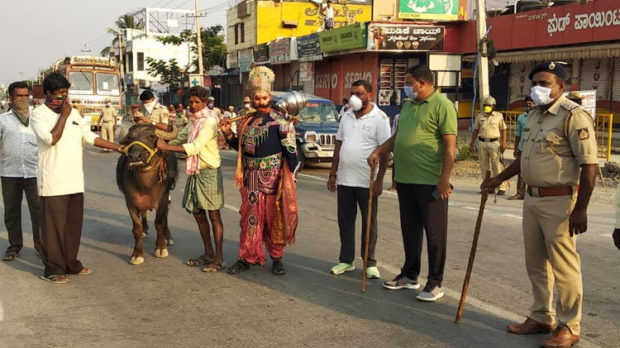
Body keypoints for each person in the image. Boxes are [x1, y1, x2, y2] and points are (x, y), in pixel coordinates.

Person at [482, 62, 597, 348]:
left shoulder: (574, 117)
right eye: (535, 82)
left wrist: (580, 209)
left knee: (564, 266)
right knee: (535, 263)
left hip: (559, 200)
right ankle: (541, 315)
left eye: (545, 82)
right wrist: (498, 178)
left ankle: (569, 325)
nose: (538, 87)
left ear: (562, 86)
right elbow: (523, 159)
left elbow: (589, 166)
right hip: (531, 199)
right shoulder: (533, 115)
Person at [368, 65, 457, 302]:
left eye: (409, 83)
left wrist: (444, 180)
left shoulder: (443, 106)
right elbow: (398, 137)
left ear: (423, 82)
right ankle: (409, 274)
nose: (405, 88)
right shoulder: (408, 106)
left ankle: (435, 282)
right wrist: (379, 150)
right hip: (405, 180)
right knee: (410, 230)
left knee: (435, 234)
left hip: (430, 181)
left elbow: (450, 146)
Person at [30, 73, 124, 284]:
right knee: (53, 228)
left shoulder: (74, 113)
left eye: (65, 93)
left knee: (73, 227)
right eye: (58, 94)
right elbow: (51, 139)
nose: (63, 97)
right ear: (47, 93)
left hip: (74, 181)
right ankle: (53, 268)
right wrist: (63, 116)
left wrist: (117, 147)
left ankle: (71, 263)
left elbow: (89, 136)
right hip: (53, 182)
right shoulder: (39, 114)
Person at [220, 66, 299, 276]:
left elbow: (291, 152)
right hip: (250, 178)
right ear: (252, 99)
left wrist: (291, 177)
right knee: (250, 220)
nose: (261, 102)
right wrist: (228, 133)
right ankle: (247, 257)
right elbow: (240, 147)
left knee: (274, 219)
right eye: (257, 98)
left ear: (269, 97)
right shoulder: (246, 121)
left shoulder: (280, 121)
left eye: (264, 98)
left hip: (273, 178)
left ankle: (277, 258)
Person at [157, 86, 225, 272]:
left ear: (205, 103)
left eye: (197, 102)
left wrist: (166, 147)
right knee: (198, 213)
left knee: (213, 215)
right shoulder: (193, 120)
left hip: (209, 172)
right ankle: (208, 253)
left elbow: (194, 147)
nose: (193, 105)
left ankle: (218, 258)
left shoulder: (209, 121)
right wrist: (158, 140)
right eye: (191, 102)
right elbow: (180, 138)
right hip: (195, 172)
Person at [327, 80, 390, 279]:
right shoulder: (346, 115)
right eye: (353, 93)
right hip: (345, 179)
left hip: (367, 180)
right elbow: (338, 145)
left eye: (360, 93)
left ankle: (369, 262)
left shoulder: (379, 118)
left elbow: (385, 150)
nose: (355, 97)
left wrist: (380, 180)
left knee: (369, 221)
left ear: (370, 95)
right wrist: (332, 173)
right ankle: (346, 260)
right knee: (345, 221)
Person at [0, 82, 41, 261]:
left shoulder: (37, 119)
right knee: (11, 212)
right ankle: (14, 246)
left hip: (34, 172)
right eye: (19, 96)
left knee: (38, 212)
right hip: (9, 173)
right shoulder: (3, 120)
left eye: (26, 96)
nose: (24, 99)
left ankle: (42, 247)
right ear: (11, 98)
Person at [470, 95, 507, 195]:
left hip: (494, 143)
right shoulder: (480, 116)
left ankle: (501, 187)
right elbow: (476, 130)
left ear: (493, 106)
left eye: (489, 106)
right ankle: (487, 186)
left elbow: (503, 130)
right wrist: (472, 143)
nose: (487, 107)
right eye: (485, 105)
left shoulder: (499, 116)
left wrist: (503, 143)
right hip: (482, 143)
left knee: (496, 165)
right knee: (484, 166)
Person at [509, 96, 535, 200]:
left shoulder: (539, 117)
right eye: (527, 104)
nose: (528, 106)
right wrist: (515, 148)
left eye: (531, 104)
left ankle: (532, 194)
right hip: (523, 148)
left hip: (534, 148)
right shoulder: (521, 117)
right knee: (520, 171)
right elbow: (518, 133)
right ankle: (520, 193)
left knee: (533, 172)